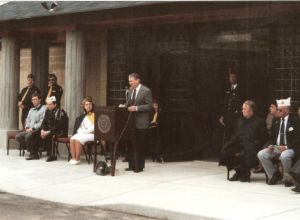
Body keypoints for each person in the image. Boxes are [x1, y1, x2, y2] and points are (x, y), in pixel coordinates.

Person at [219, 100, 268, 182]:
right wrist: (228, 145)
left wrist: (257, 144)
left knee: (244, 153)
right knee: (226, 152)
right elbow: (236, 135)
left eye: (244, 109)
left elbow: (264, 137)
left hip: (253, 147)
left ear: (251, 110)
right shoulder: (240, 121)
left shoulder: (259, 121)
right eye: (242, 109)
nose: (242, 110)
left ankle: (244, 173)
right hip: (240, 145)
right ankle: (239, 172)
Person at [258, 97, 300, 186]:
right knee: (261, 154)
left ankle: (288, 177)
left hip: (289, 147)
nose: (278, 112)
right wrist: (270, 145)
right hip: (277, 147)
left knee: (285, 156)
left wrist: (286, 147)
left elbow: (297, 138)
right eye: (278, 110)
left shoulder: (295, 120)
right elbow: (272, 137)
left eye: (281, 110)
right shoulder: (275, 120)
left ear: (287, 110)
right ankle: (273, 175)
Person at [121, 73, 152, 173]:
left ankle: (139, 167)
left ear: (138, 80)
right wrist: (124, 106)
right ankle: (131, 165)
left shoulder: (146, 91)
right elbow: (129, 103)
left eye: (131, 81)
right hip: (131, 122)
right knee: (131, 144)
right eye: (129, 81)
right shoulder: (130, 90)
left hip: (141, 122)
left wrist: (136, 108)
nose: (130, 83)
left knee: (140, 144)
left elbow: (149, 106)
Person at [16, 93, 46, 160]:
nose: (33, 101)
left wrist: (32, 128)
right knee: (18, 137)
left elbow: (42, 122)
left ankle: (34, 154)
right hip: (29, 129)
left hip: (38, 129)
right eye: (32, 99)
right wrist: (27, 127)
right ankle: (32, 150)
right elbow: (28, 120)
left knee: (28, 136)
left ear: (39, 100)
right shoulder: (31, 109)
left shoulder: (43, 109)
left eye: (35, 99)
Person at [219, 68, 244, 143]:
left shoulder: (241, 89)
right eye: (230, 77)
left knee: (235, 136)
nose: (232, 79)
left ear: (236, 78)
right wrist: (222, 115)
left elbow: (241, 104)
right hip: (228, 117)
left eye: (233, 77)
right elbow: (225, 104)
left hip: (237, 117)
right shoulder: (228, 89)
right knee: (227, 136)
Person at [40, 96, 68, 162]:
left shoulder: (61, 112)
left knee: (51, 135)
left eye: (50, 104)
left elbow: (59, 125)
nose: (48, 106)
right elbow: (44, 122)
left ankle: (52, 155)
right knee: (37, 132)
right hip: (50, 130)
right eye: (47, 104)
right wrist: (42, 130)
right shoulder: (48, 111)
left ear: (55, 104)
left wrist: (49, 131)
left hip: (59, 132)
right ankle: (35, 153)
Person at [69, 97, 95, 165]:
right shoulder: (83, 115)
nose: (88, 106)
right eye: (86, 104)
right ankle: (73, 158)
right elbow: (80, 127)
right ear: (84, 106)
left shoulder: (94, 114)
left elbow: (94, 127)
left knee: (78, 139)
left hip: (92, 134)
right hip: (82, 133)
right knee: (72, 139)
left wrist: (83, 132)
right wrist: (80, 132)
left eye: (90, 104)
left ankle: (77, 159)